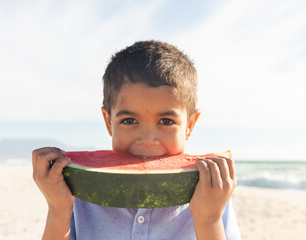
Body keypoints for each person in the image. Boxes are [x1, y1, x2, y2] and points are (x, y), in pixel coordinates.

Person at [32, 40, 241, 240]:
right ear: (108, 121)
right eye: (130, 120)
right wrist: (58, 208)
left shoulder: (211, 193)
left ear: (190, 125)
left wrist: (209, 220)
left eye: (166, 121)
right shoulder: (79, 191)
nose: (148, 139)